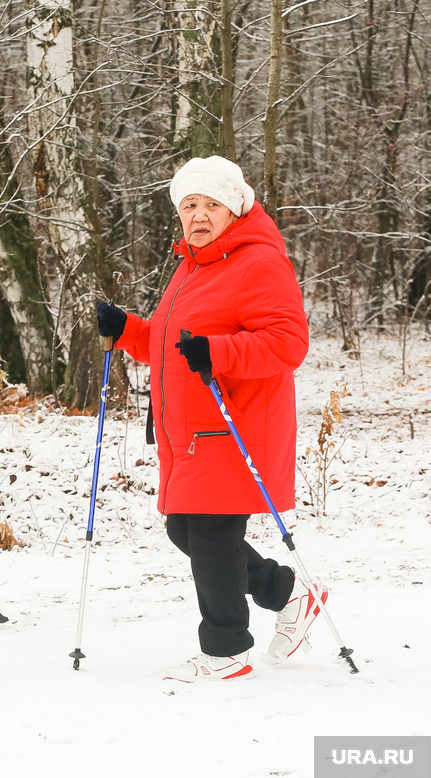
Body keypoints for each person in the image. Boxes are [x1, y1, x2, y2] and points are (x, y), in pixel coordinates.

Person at [96, 155, 327, 682]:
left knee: (212, 536)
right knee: (186, 530)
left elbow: (288, 343)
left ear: (234, 209)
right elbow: (170, 344)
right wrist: (129, 328)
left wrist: (220, 353)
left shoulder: (257, 262)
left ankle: (225, 651)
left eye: (211, 205)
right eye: (189, 205)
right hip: (192, 429)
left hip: (234, 424)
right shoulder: (193, 265)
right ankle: (287, 593)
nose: (199, 215)